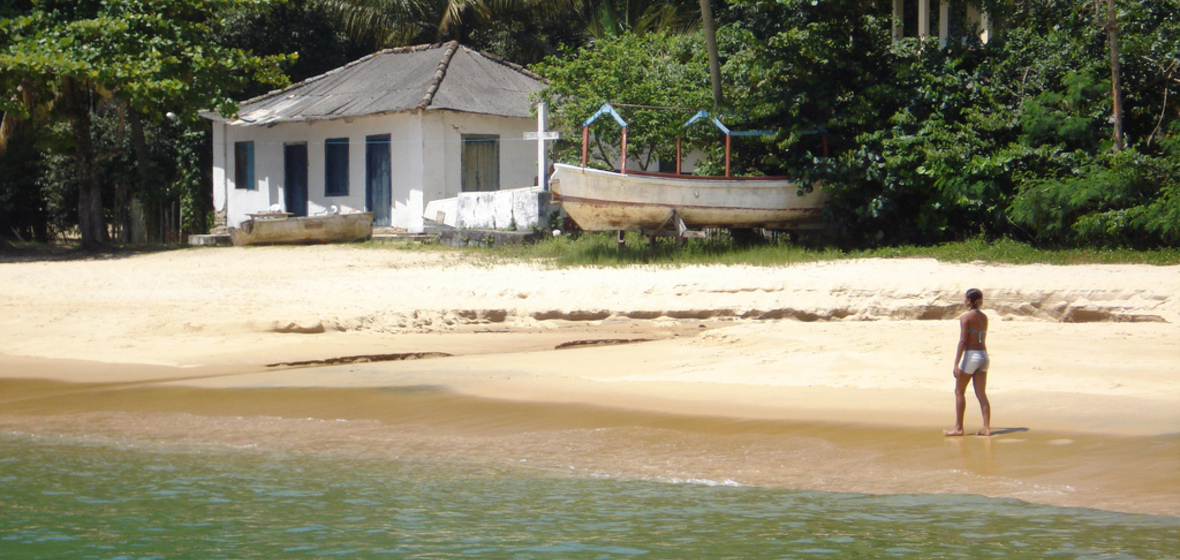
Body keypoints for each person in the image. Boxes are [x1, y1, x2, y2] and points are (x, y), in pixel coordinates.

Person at [944, 288, 991, 436]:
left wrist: (956, 364)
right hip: (984, 355)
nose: (965, 301)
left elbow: (963, 341)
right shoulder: (984, 318)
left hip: (971, 356)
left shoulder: (965, 318)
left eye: (966, 299)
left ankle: (959, 428)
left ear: (969, 301)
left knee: (959, 391)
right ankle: (986, 428)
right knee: (981, 394)